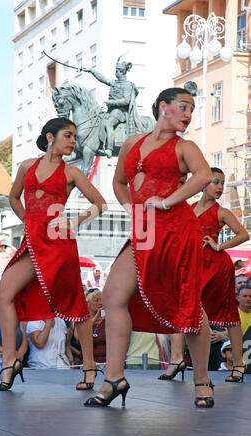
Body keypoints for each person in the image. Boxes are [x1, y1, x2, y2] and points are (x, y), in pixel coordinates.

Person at [84, 87, 216, 409]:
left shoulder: (185, 146)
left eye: (192, 109)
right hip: (144, 231)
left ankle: (202, 379)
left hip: (177, 232)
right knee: (113, 296)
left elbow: (203, 176)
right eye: (183, 107)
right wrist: (132, 209)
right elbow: (118, 182)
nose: (188, 114)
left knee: (188, 306)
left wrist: (167, 201)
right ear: (162, 107)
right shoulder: (132, 143)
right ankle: (114, 377)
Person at [0, 117, 107, 391]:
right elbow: (13, 197)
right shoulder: (26, 166)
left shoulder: (72, 172)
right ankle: (10, 360)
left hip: (59, 244)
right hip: (33, 241)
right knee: (2, 296)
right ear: (49, 137)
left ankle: (89, 367)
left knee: (75, 308)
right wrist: (28, 222)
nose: (73, 141)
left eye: (74, 137)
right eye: (68, 135)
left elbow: (99, 203)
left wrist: (74, 221)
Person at [160, 167, 249, 382]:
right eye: (215, 182)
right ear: (203, 184)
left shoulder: (222, 212)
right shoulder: (188, 209)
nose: (220, 187)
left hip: (217, 267)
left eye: (222, 183)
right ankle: (176, 358)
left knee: (228, 315)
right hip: (192, 267)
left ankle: (238, 363)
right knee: (182, 310)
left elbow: (244, 234)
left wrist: (219, 246)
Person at [84, 57, 144, 157]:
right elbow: (102, 79)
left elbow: (126, 100)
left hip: (120, 112)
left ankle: (109, 149)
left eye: (117, 71)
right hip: (112, 110)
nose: (115, 72)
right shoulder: (115, 83)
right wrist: (92, 71)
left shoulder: (127, 85)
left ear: (122, 72)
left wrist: (111, 102)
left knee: (109, 124)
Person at [0, 283, 28, 367]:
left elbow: (24, 342)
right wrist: (12, 353)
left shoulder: (18, 316)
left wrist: (19, 355)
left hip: (16, 362)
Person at [85, 288, 106, 364]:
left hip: (106, 363)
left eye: (101, 300)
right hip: (88, 363)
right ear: (88, 303)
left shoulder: (107, 320)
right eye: (96, 300)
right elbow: (78, 338)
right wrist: (96, 317)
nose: (100, 303)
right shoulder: (83, 319)